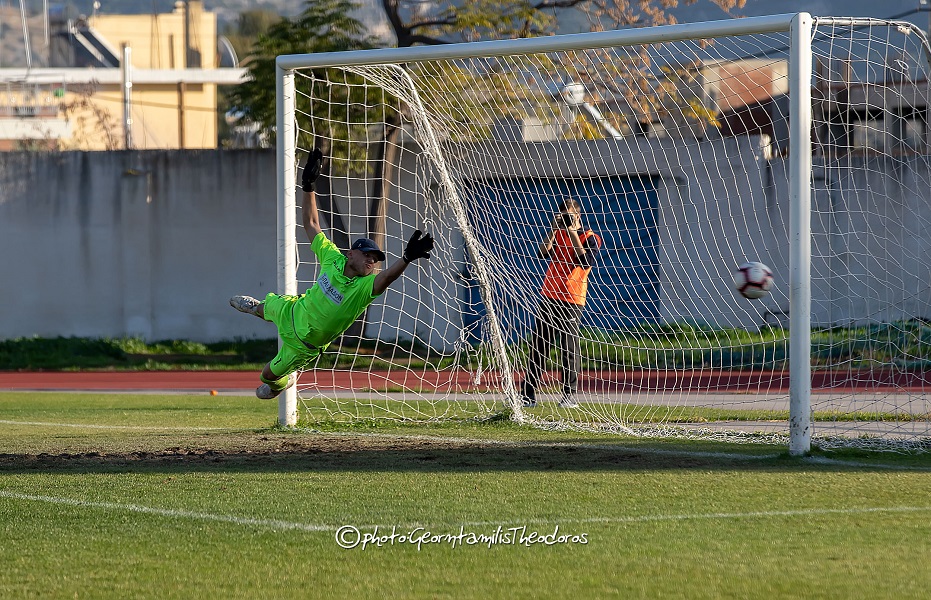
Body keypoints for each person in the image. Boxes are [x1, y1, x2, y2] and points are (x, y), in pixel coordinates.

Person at [230, 148, 435, 399]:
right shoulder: (333, 258)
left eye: (375, 258)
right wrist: (308, 186)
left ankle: (281, 384)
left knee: (267, 377)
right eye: (367, 254)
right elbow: (312, 223)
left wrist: (406, 258)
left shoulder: (363, 289)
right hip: (294, 310)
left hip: (302, 345)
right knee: (264, 309)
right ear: (351, 254)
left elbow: (386, 278)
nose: (372, 260)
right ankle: (255, 308)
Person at [520, 198, 601, 408]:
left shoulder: (589, 236)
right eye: (564, 215)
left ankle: (568, 395)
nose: (567, 219)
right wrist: (553, 229)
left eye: (570, 215)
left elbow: (586, 263)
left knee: (568, 348)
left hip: (572, 299)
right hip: (549, 295)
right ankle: (527, 395)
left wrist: (573, 232)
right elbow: (541, 253)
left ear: (578, 216)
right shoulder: (558, 233)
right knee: (539, 346)